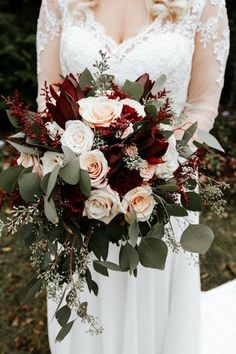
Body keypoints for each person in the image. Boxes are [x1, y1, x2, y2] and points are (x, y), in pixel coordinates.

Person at [36, 1, 231, 354]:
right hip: (76, 190)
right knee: (87, 298)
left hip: (161, 188)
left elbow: (201, 106)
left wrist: (151, 169)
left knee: (152, 304)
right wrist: (68, 162)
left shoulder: (204, 4)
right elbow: (46, 95)